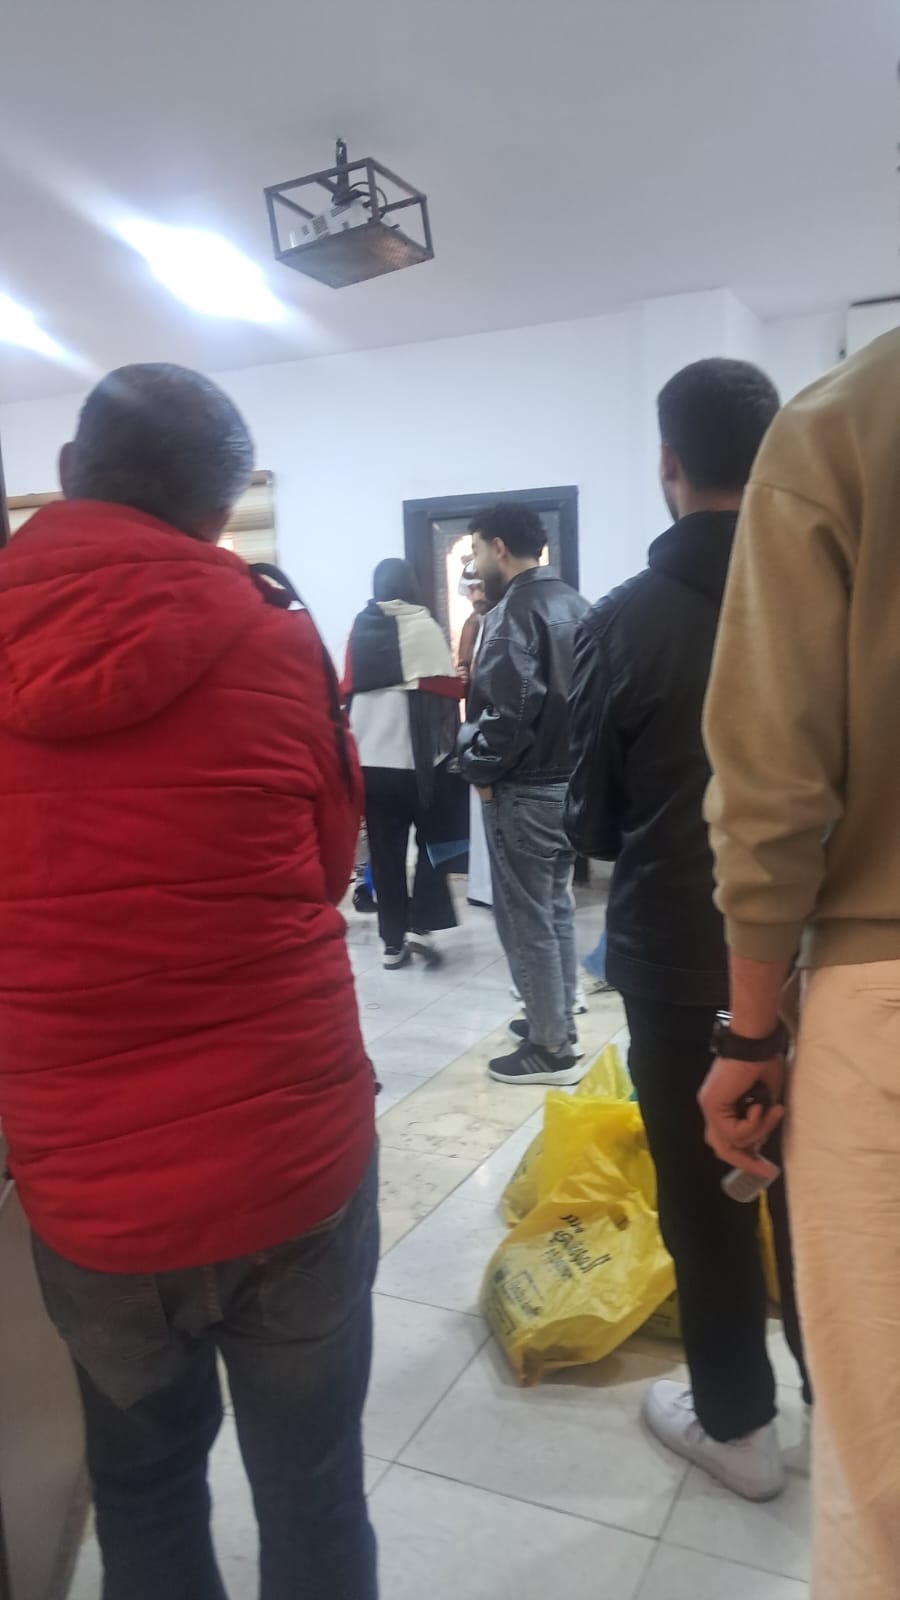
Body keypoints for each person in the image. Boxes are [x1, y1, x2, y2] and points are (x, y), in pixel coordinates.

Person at [0, 364, 378, 1600]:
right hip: (290, 1150)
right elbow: (329, 867)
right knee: (313, 1489)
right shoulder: (276, 636)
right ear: (222, 513)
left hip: (91, 1181)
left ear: (67, 473)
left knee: (143, 1490)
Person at [566, 358, 809, 1504]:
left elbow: (593, 822)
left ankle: (739, 1426)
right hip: (820, 958)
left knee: (704, 1188)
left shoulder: (622, 618)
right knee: (828, 1185)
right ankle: (854, 1407)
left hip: (677, 955)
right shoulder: (839, 593)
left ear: (668, 463)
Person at [699, 330, 900, 1595]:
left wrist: (750, 1032)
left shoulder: (850, 420)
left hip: (885, 978)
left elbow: (776, 783)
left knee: (882, 1475)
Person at [459, 503, 589, 1084]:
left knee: (526, 917)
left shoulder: (512, 614)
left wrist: (475, 764)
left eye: (476, 550)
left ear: (499, 547)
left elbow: (508, 715)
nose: (475, 563)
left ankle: (550, 1048)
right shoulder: (576, 604)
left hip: (525, 787)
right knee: (555, 907)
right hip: (570, 785)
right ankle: (556, 1021)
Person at [345, 558, 465, 969]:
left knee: (385, 854)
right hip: (420, 766)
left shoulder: (359, 630)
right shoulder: (425, 626)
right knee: (433, 843)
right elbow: (446, 696)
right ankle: (421, 922)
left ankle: (392, 944)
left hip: (372, 766)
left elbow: (347, 696)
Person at [457, 562, 494, 908]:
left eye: (481, 586)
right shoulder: (472, 625)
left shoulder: (509, 618)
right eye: (472, 589)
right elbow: (463, 674)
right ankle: (483, 888)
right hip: (480, 727)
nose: (478, 595)